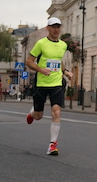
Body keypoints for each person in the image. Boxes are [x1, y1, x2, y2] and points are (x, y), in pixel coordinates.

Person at [25, 16, 73, 155]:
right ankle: (32, 113)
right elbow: (29, 61)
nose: (56, 30)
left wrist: (65, 71)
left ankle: (52, 145)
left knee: (56, 112)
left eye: (58, 27)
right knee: (38, 116)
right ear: (48, 28)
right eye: (53, 27)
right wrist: (41, 70)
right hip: (41, 83)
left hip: (56, 83)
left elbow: (58, 61)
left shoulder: (63, 45)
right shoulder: (41, 44)